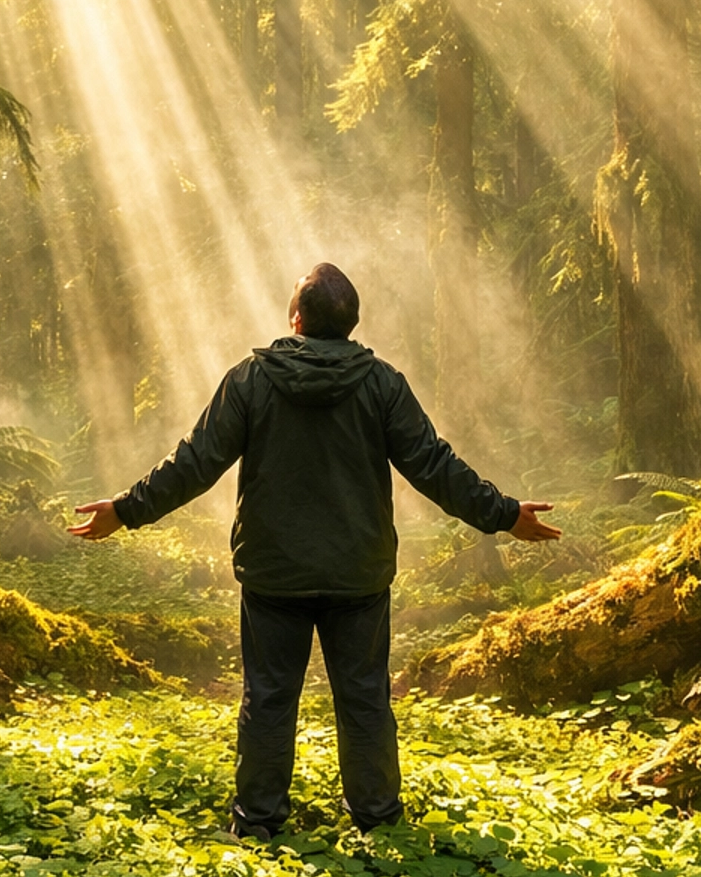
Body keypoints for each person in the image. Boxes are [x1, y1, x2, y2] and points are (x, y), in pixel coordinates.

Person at [70, 262, 560, 840]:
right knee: (365, 700)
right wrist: (505, 515)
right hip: (358, 575)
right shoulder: (382, 384)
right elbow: (434, 467)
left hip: (274, 575)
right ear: (351, 323)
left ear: (296, 318)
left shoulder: (251, 380)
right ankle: (378, 821)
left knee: (269, 699)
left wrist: (126, 511)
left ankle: (257, 823)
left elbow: (195, 463)